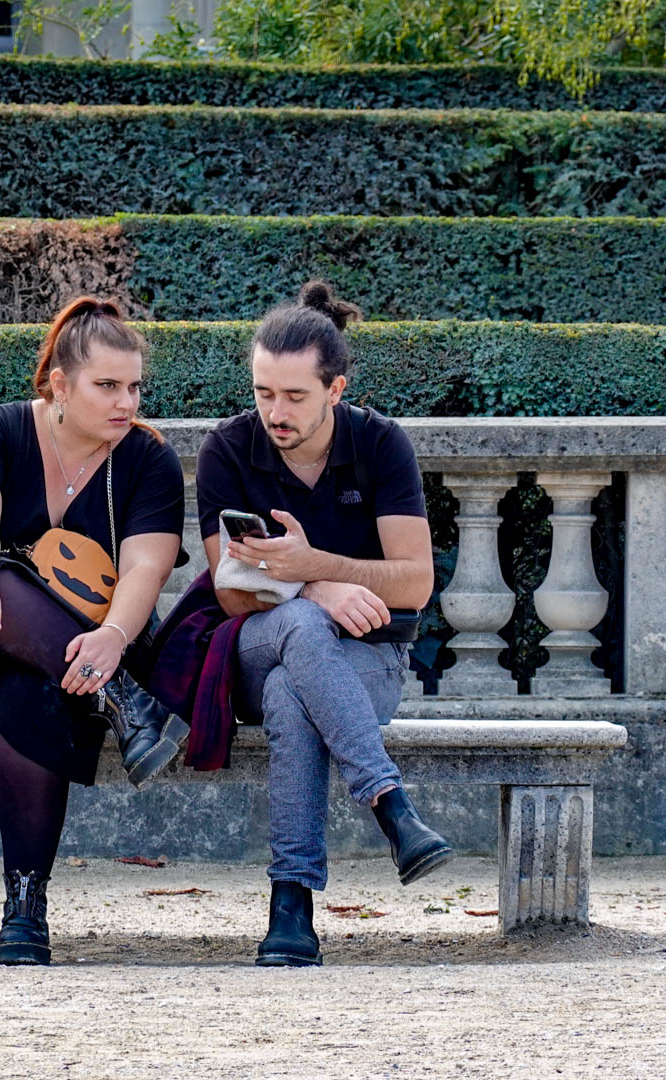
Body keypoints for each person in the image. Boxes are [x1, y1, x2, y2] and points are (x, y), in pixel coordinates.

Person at [196, 281, 455, 968]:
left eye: (294, 396)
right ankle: (391, 807)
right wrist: (313, 587)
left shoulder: (380, 444)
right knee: (302, 631)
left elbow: (416, 582)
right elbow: (232, 595)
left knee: (294, 693)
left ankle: (290, 907)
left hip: (369, 656)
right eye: (263, 393)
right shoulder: (228, 449)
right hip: (257, 642)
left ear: (335, 389)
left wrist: (318, 563)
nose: (274, 412)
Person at [0, 296, 186, 966]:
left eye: (134, 386)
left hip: (97, 645)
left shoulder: (148, 460)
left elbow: (147, 566)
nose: (126, 402)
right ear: (59, 384)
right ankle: (129, 705)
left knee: (25, 697)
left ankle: (25, 907)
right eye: (107, 386)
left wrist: (114, 637)